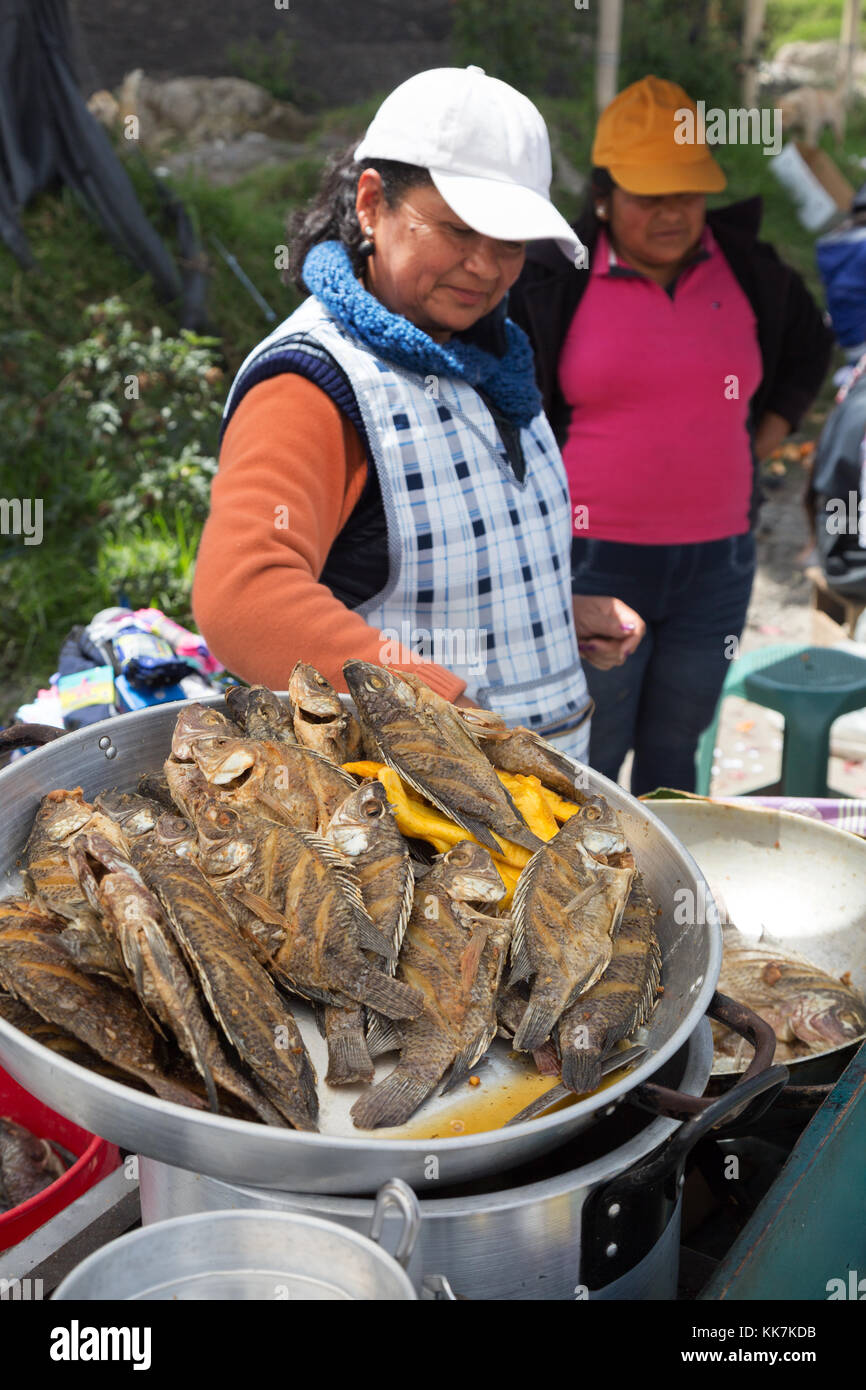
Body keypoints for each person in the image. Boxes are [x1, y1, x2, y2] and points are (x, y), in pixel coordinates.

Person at [192, 66, 645, 761]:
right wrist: (434, 699)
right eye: (459, 231)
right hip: (417, 826)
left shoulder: (488, 357)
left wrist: (549, 619)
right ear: (372, 203)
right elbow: (245, 599)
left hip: (541, 799)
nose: (487, 268)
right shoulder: (314, 384)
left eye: (511, 243)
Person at [508, 75, 834, 793]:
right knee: (585, 759)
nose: (670, 214)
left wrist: (766, 434)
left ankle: (671, 901)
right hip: (588, 561)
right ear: (603, 196)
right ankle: (581, 903)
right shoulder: (550, 278)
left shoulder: (748, 270)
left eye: (685, 195)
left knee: (675, 755)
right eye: (646, 197)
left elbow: (811, 345)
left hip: (715, 567)